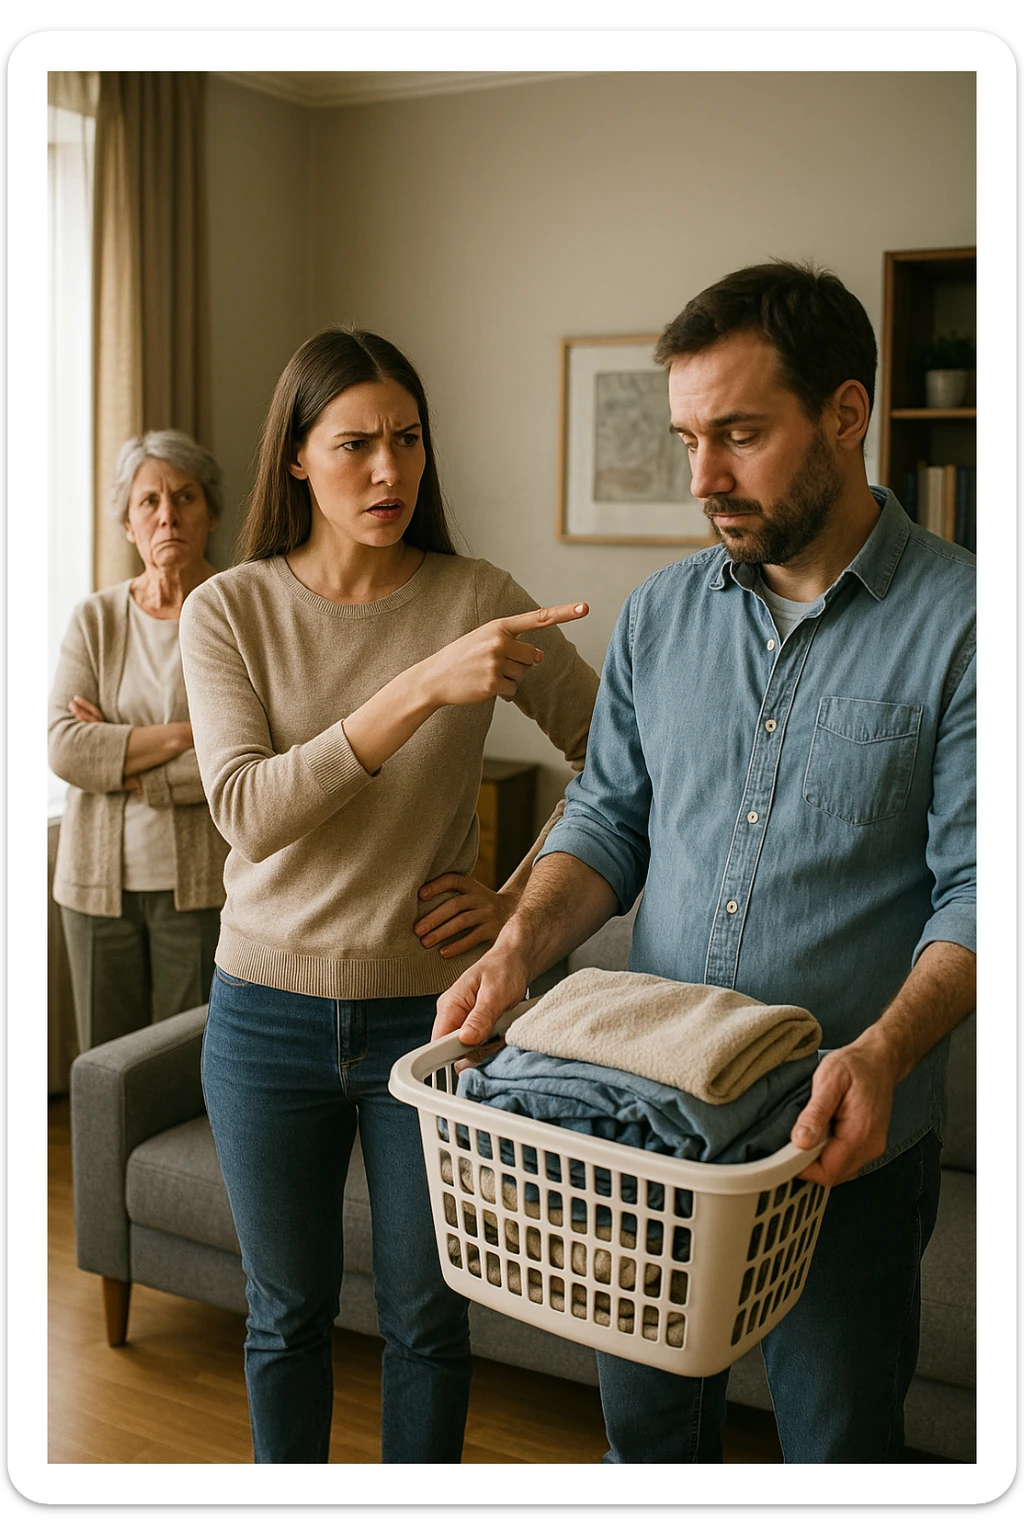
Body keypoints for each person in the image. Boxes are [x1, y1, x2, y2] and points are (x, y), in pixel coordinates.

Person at [433, 261, 977, 1464]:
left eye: (738, 435)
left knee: (842, 1457)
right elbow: (609, 817)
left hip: (839, 1146)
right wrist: (518, 944)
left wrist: (884, 1052)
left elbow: (983, 888)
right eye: (687, 439)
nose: (703, 480)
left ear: (846, 413)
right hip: (652, 1132)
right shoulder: (656, 616)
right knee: (648, 1449)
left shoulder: (968, 626)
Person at [177, 326, 600, 1465]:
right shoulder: (228, 609)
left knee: (428, 1322)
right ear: (298, 461)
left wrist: (516, 900)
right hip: (262, 1019)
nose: (388, 470)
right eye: (354, 443)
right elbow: (248, 809)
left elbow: (618, 765)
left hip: (434, 1019)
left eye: (406, 440)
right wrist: (417, 687)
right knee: (285, 1320)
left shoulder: (479, 595)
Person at [49, 430, 229, 1053]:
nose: (167, 515)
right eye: (148, 502)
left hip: (201, 883)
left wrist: (124, 758)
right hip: (95, 887)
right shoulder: (94, 618)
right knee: (105, 1064)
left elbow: (243, 758)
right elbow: (66, 748)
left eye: (184, 497)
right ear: (128, 523)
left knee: (190, 1062)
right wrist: (187, 734)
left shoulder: (237, 612)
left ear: (209, 512)